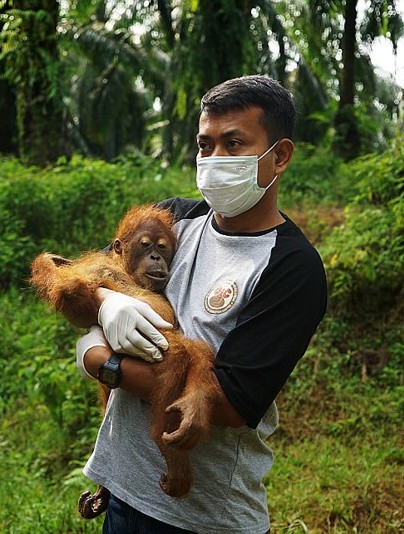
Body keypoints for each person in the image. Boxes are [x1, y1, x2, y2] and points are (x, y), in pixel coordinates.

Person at [76, 75, 327, 533]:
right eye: (205, 145)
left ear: (281, 156)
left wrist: (101, 362)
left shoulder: (292, 267)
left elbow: (230, 403)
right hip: (124, 491)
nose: (215, 160)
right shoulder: (176, 220)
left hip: (204, 516)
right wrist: (105, 302)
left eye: (234, 144)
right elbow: (88, 276)